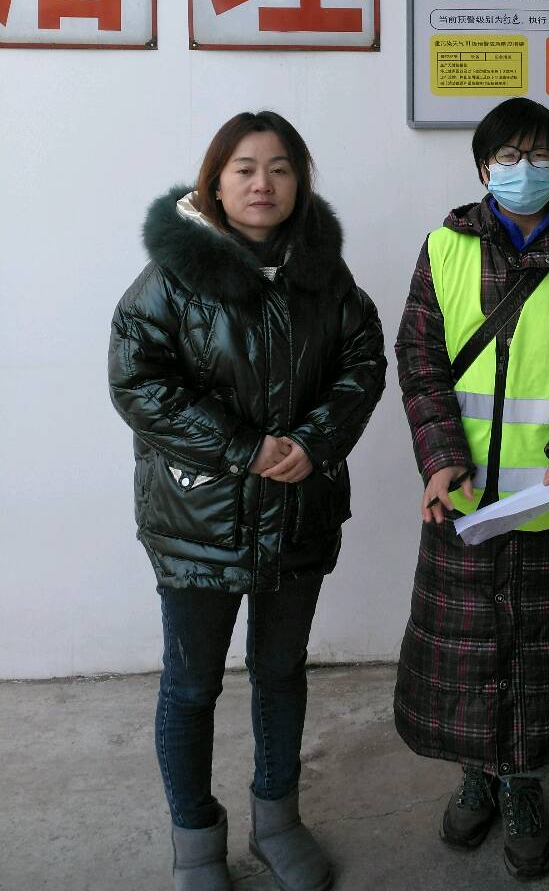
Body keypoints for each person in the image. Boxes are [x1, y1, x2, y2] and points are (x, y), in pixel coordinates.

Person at [109, 111, 386, 891]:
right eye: (244, 168)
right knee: (191, 684)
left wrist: (315, 440)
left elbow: (363, 362)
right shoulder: (171, 278)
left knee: (280, 671)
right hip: (197, 519)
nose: (263, 183)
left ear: (299, 183)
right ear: (216, 181)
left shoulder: (325, 276)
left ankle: (278, 821)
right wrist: (243, 448)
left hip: (298, 511)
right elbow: (138, 382)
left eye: (280, 168)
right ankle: (195, 842)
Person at [394, 96, 549, 880]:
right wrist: (439, 456)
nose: (524, 169)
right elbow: (420, 362)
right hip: (465, 501)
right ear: (482, 169)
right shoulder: (442, 248)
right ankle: (478, 773)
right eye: (508, 156)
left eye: (540, 156)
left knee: (541, 660)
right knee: (470, 658)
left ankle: (524, 782)